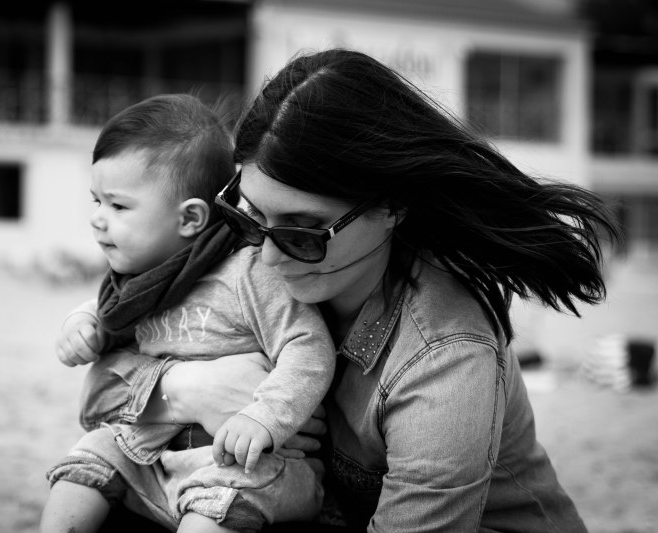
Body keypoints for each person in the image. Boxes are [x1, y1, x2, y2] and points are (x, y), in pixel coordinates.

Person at [72, 49, 621, 532]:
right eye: (250, 218)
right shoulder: (235, 260)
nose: (268, 255)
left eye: (303, 231)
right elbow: (95, 400)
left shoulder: (444, 359)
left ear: (392, 206)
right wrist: (187, 387)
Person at [40, 94, 336, 533]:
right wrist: (81, 324)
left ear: (190, 218)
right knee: (86, 460)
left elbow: (308, 346)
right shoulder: (140, 281)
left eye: (118, 206)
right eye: (95, 201)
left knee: (213, 508)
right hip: (151, 452)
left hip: (243, 462)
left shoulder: (247, 272)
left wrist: (264, 416)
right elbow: (108, 326)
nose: (97, 219)